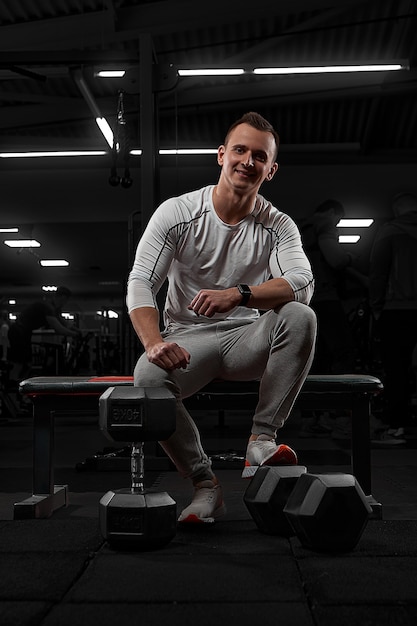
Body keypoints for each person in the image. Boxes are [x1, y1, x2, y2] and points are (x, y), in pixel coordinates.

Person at [126, 111, 316, 524]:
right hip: (187, 341)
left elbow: (302, 282)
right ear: (221, 155)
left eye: (259, 156)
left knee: (301, 316)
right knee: (147, 378)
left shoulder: (276, 225)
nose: (248, 161)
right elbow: (142, 281)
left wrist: (241, 295)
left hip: (247, 340)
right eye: (240, 150)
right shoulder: (178, 213)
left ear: (271, 169)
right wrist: (154, 342)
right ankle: (205, 485)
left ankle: (262, 439)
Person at [369, 192, 417, 445]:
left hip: (397, 308)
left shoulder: (390, 231)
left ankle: (396, 425)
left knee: (396, 368)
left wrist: (376, 307)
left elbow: (378, 273)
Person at [8, 286, 80, 383]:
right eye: (65, 301)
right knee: (20, 363)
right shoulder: (48, 307)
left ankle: (18, 383)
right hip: (18, 331)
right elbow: (58, 329)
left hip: (23, 332)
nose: (65, 304)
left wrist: (77, 330)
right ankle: (12, 383)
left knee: (27, 363)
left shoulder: (54, 308)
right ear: (62, 298)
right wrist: (75, 334)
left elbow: (63, 322)